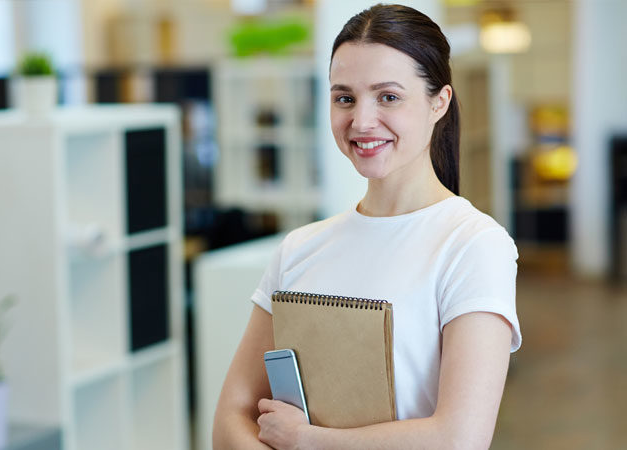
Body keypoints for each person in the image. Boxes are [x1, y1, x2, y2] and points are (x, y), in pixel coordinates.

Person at [212, 3, 521, 449]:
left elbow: (459, 439)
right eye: (344, 98)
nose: (361, 121)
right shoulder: (300, 248)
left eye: (388, 96)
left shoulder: (473, 245)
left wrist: (306, 440)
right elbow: (230, 417)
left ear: (440, 102)